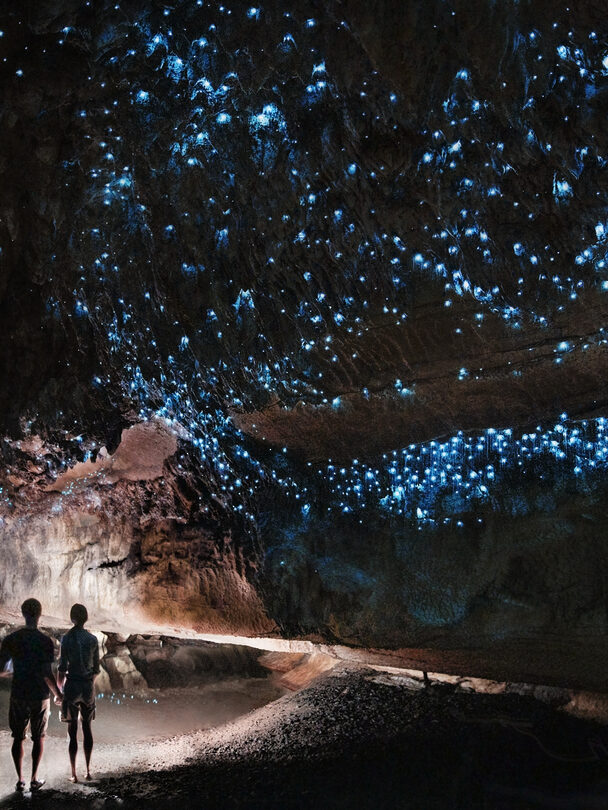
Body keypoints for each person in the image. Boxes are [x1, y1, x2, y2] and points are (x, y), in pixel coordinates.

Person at [0, 598, 62, 793]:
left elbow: (1, 669)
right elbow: (46, 674)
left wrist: (12, 672)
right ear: (39, 615)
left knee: (18, 737)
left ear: (23, 614)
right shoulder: (45, 641)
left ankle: (20, 781)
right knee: (39, 737)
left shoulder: (11, 639)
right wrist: (58, 694)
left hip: (19, 693)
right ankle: (34, 779)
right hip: (39, 695)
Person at [57, 603, 100, 783]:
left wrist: (59, 691)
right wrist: (89, 683)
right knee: (87, 728)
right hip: (87, 686)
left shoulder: (66, 638)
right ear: (86, 618)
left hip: (72, 686)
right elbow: (96, 670)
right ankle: (88, 771)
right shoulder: (93, 639)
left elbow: (62, 668)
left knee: (72, 729)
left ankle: (74, 774)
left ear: (72, 618)